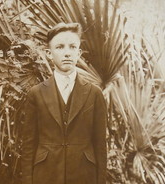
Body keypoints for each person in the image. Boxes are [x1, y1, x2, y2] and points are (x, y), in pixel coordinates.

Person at [21, 22, 107, 184]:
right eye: (60, 47)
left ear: (79, 53)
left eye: (72, 47)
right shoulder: (36, 93)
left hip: (84, 176)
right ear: (49, 53)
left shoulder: (94, 93)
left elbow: (100, 145)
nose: (67, 53)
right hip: (45, 175)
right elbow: (28, 146)